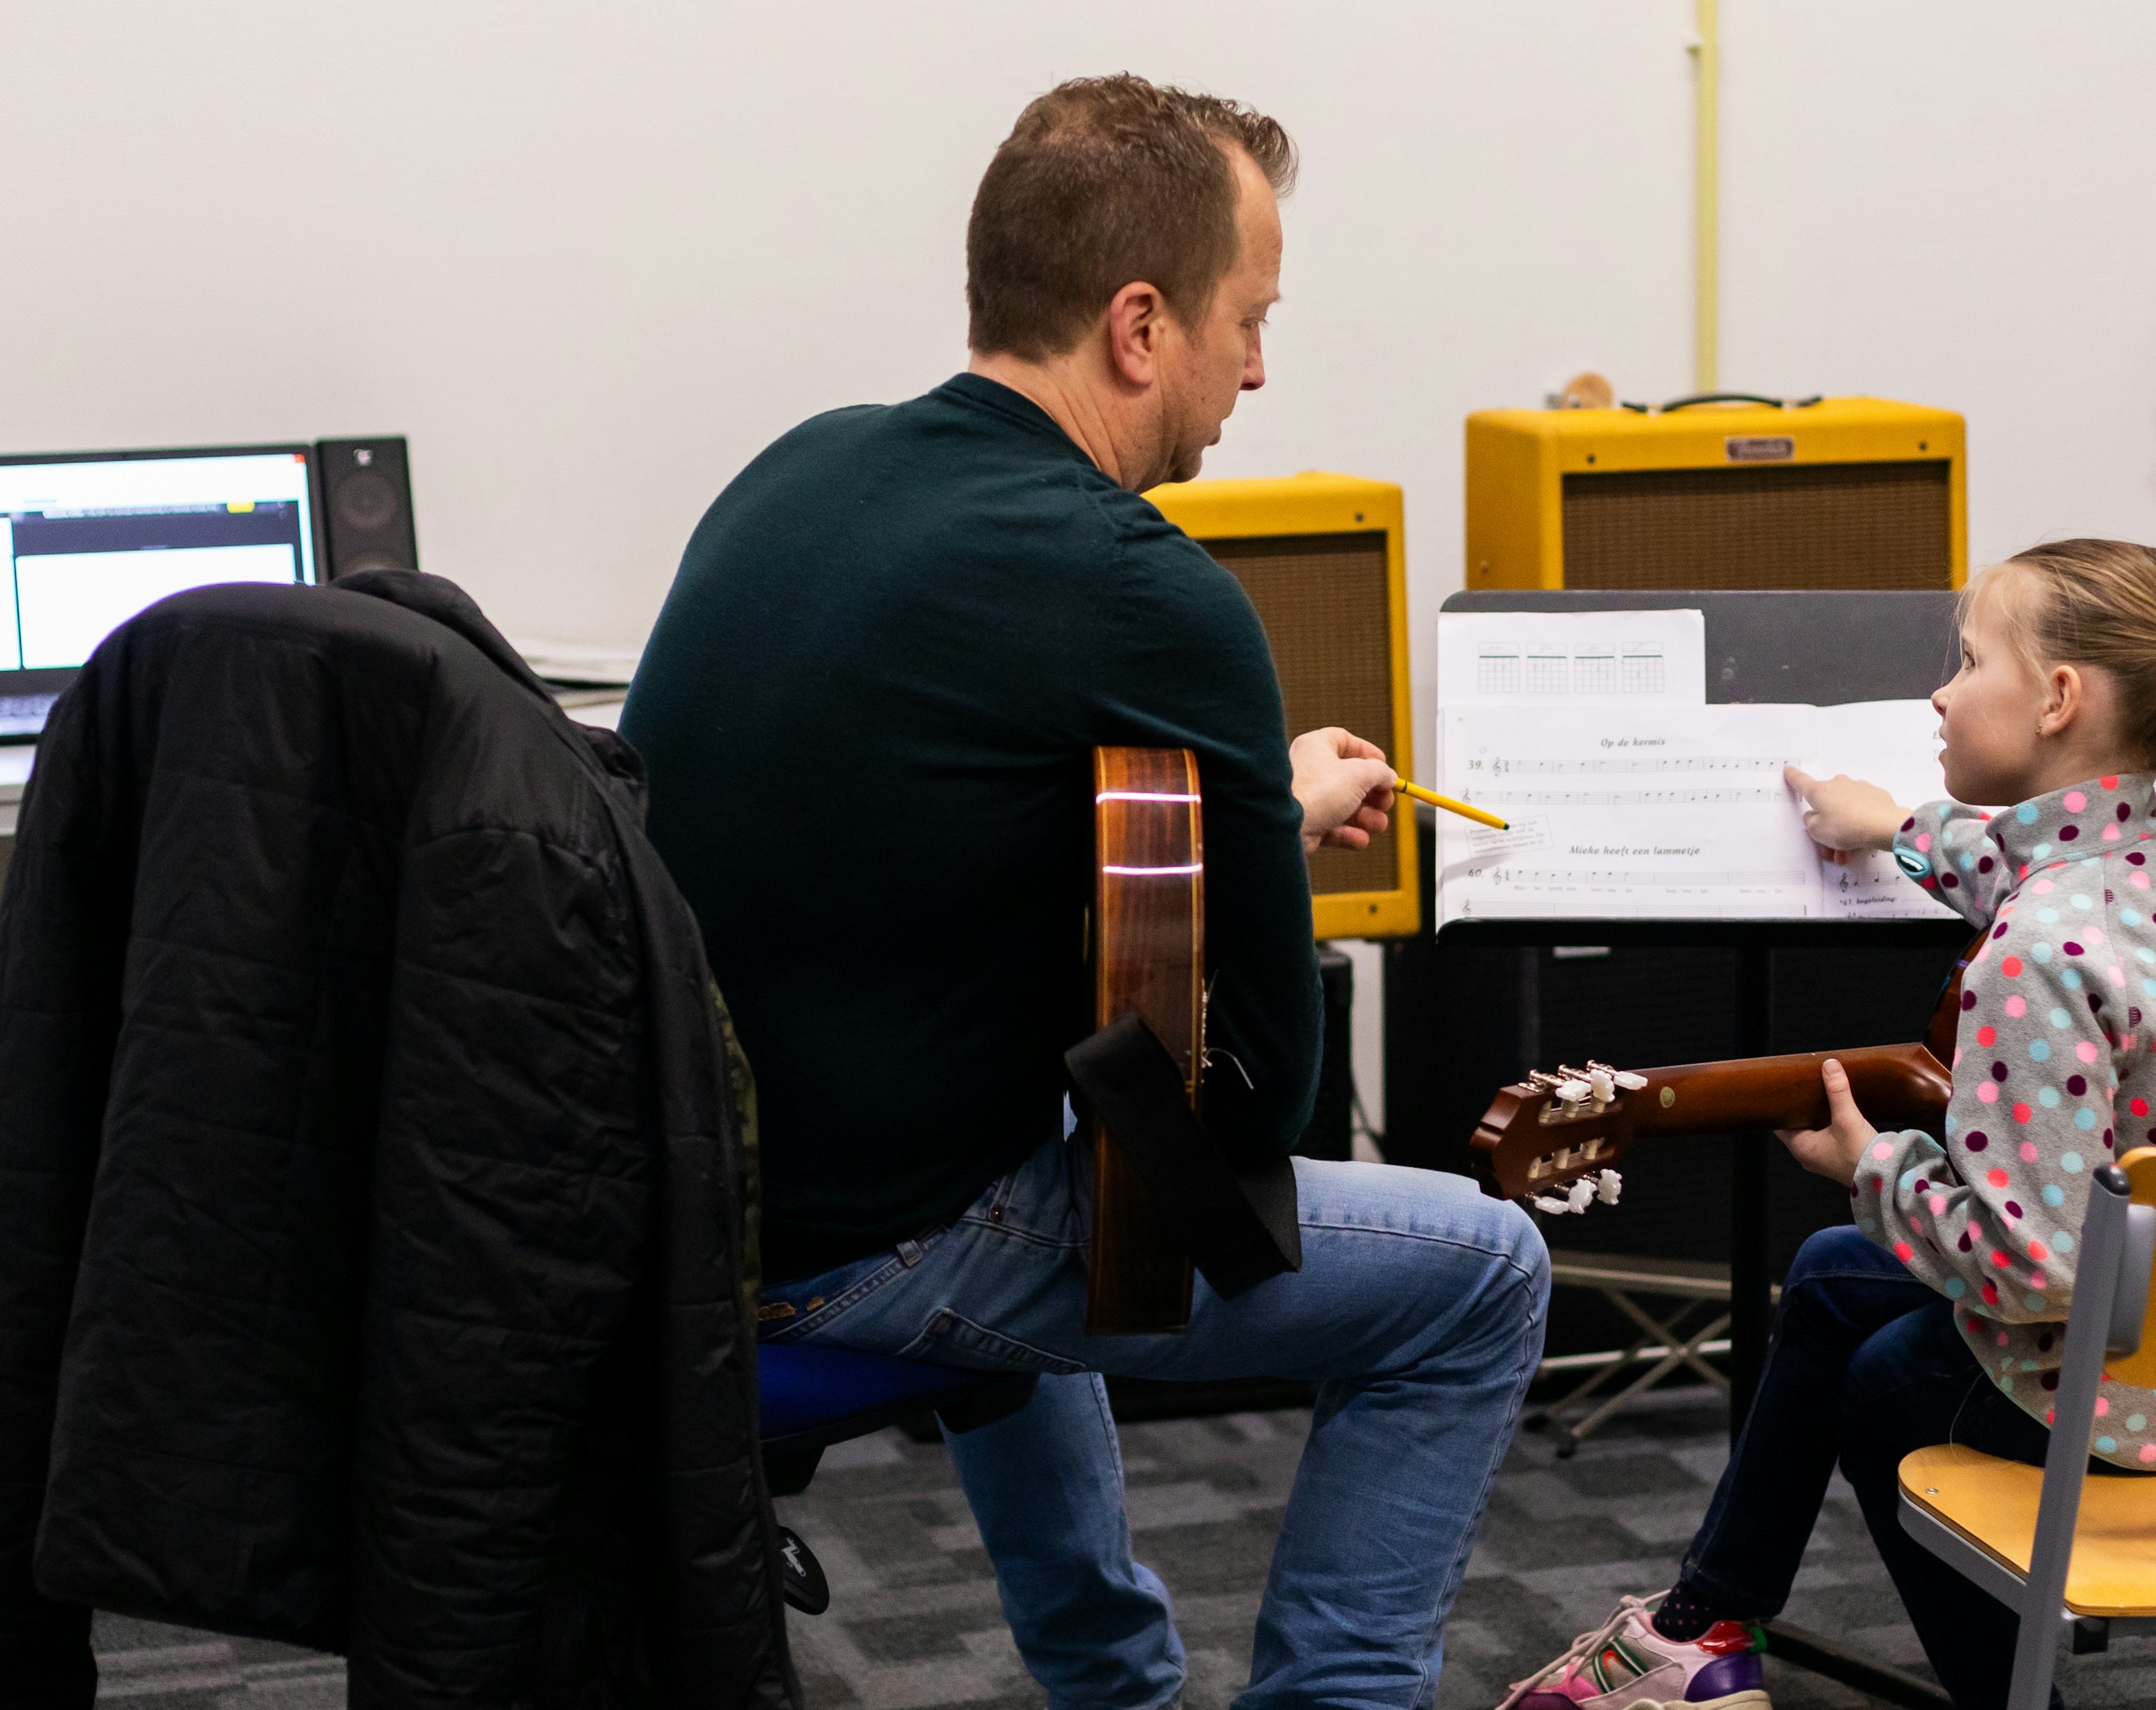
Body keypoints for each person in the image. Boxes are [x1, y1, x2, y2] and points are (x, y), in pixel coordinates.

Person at [621, 76, 1549, 1710]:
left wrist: (1252, 806)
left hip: (680, 1201)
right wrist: (1252, 835)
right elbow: (1256, 1114)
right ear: (1138, 325)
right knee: (1482, 1278)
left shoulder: (803, 468)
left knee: (1054, 1132)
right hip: (865, 1245)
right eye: (1247, 322)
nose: (1255, 370)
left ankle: (1113, 1688)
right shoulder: (1142, 587)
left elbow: (919, 826)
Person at [1500, 541, 2156, 1710]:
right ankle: (1703, 1626)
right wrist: (1893, 827)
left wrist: (1873, 1165)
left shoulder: (2037, 956)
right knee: (1836, 1275)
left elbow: (2034, 1270)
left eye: (1970, 661)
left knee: (1884, 1380)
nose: (1940, 692)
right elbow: (2029, 861)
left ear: (2058, 698)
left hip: (2118, 1399)